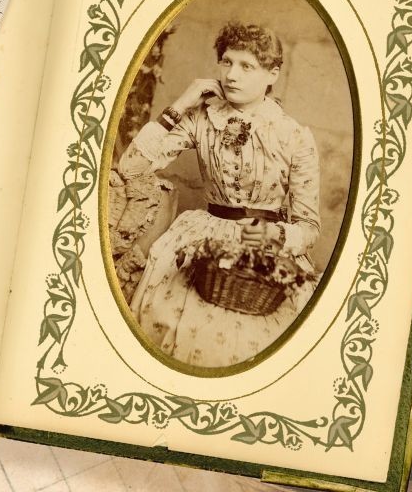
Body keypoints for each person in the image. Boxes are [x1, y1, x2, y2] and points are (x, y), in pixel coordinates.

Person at [118, 21, 321, 368]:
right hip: (201, 237)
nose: (232, 76)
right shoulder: (200, 118)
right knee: (170, 326)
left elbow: (310, 228)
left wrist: (277, 234)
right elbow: (131, 167)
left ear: (272, 74)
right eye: (227, 62)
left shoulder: (294, 137)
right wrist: (181, 103)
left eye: (247, 66)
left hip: (263, 244)